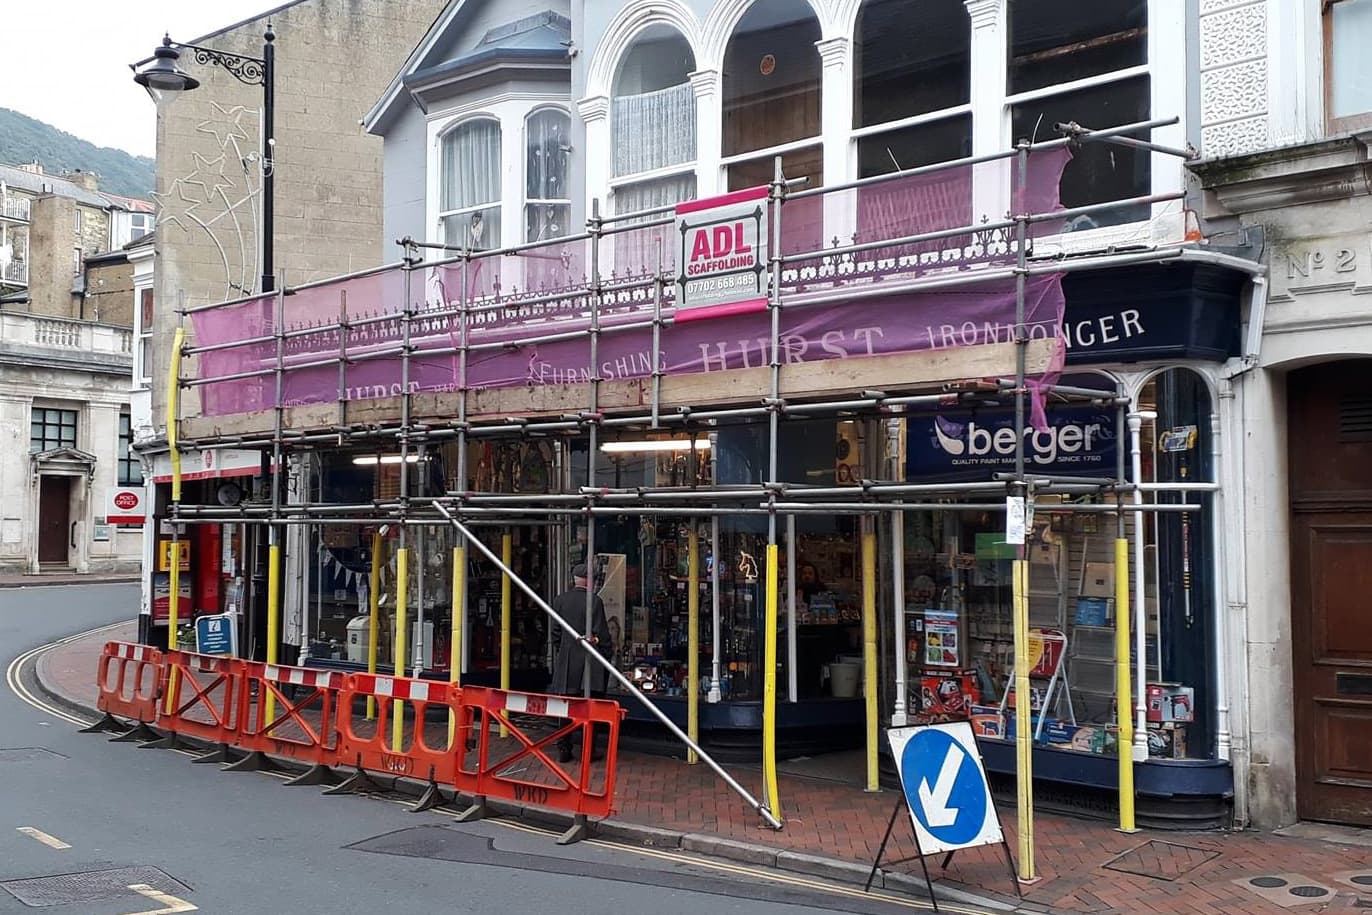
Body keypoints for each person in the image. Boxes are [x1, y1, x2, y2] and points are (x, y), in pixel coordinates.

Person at [549, 563, 612, 763]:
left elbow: (555, 633)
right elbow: (601, 633)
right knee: (590, 708)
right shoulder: (595, 601)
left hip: (567, 662)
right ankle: (588, 750)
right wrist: (606, 652)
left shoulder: (560, 600)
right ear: (589, 580)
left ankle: (564, 748)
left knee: (566, 708)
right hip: (590, 663)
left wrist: (564, 651)